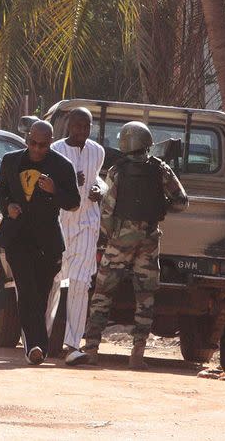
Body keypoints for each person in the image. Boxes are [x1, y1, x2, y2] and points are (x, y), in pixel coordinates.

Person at [82, 121, 188, 369]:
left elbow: (107, 209)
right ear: (147, 141)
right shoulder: (161, 169)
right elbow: (182, 201)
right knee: (146, 298)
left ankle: (92, 350)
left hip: (120, 241)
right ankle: (137, 355)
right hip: (149, 241)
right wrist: (160, 209)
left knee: (102, 295)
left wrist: (109, 236)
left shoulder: (117, 171)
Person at [0, 120, 80, 365]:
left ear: (50, 142)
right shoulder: (11, 161)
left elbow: (73, 203)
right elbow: (1, 191)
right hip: (16, 237)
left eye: (42, 145)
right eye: (32, 143)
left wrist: (54, 191)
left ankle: (37, 344)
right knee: (27, 289)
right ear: (27, 139)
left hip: (47, 241)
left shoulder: (62, 166)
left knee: (41, 296)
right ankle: (34, 345)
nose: (37, 149)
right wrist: (7, 206)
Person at [49, 108, 106, 366]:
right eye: (77, 126)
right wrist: (68, 181)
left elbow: (100, 179)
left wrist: (99, 188)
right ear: (68, 126)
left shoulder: (98, 151)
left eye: (86, 126)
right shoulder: (56, 150)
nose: (81, 131)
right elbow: (46, 183)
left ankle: (72, 345)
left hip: (87, 222)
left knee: (81, 283)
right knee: (53, 280)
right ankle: (42, 337)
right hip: (60, 222)